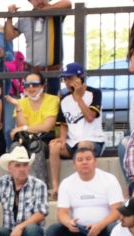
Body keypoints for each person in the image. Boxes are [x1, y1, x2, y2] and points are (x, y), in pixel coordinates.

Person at [45, 143, 122, 236]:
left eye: (88, 159)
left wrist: (100, 225)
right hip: (77, 231)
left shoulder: (109, 179)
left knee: (114, 229)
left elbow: (116, 211)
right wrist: (68, 223)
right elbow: (62, 213)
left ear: (95, 162)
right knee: (52, 231)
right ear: (74, 164)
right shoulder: (67, 183)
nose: (84, 162)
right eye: (80, 160)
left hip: (103, 230)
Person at [48, 63, 106, 199]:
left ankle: (82, 186)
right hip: (72, 142)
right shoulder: (64, 99)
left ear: (80, 78)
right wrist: (62, 139)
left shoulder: (95, 93)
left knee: (83, 146)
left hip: (93, 140)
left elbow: (90, 117)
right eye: (65, 79)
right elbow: (63, 124)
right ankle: (56, 188)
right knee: (54, 146)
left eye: (70, 78)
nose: (67, 82)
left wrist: (79, 98)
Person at [5, 0, 72, 94]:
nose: (39, 1)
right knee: (31, 101)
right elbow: (9, 36)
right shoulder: (25, 18)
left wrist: (46, 10)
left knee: (52, 101)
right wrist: (9, 17)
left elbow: (68, 3)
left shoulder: (56, 15)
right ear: (30, 1)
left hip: (52, 71)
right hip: (31, 71)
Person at [9, 71, 60, 184]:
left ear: (42, 85)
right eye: (27, 85)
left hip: (45, 140)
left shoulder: (53, 100)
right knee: (15, 147)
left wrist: (24, 128)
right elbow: (21, 125)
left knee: (36, 146)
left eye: (35, 84)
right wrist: (18, 107)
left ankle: (41, 186)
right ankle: (17, 186)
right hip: (26, 140)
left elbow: (47, 127)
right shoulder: (20, 102)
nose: (31, 88)